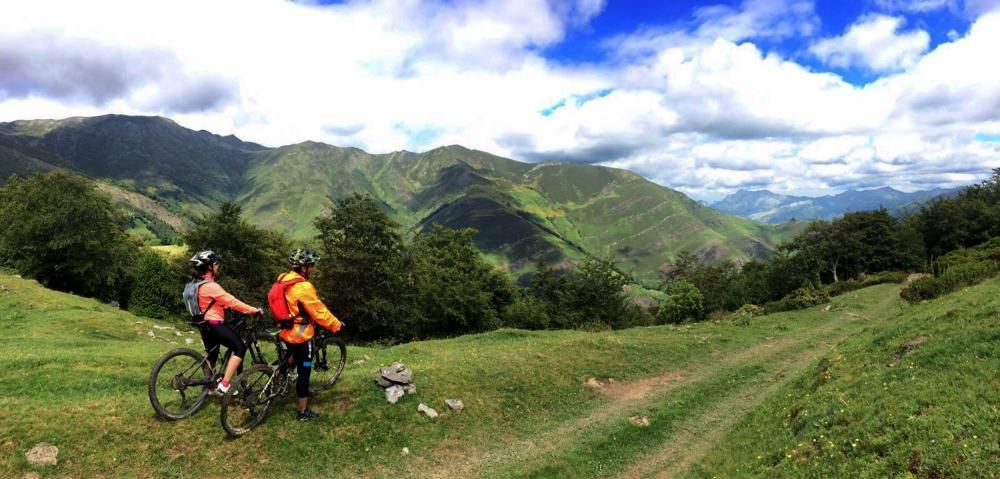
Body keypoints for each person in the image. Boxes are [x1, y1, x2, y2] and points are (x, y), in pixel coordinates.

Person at [276, 248, 342, 421]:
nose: (313, 268)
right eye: (311, 265)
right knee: (304, 369)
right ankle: (303, 412)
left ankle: (277, 375)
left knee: (291, 356)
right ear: (304, 267)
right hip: (302, 335)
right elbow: (318, 311)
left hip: (286, 330)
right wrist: (336, 324)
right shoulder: (303, 287)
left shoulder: (283, 280)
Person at [187, 250, 263, 395]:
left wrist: (226, 306)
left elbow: (211, 302)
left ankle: (209, 387)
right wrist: (253, 310)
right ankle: (224, 385)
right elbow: (232, 301)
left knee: (212, 355)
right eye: (216, 263)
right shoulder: (211, 286)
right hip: (214, 324)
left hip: (204, 325)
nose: (218, 266)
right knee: (239, 347)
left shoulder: (197, 285)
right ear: (209, 266)